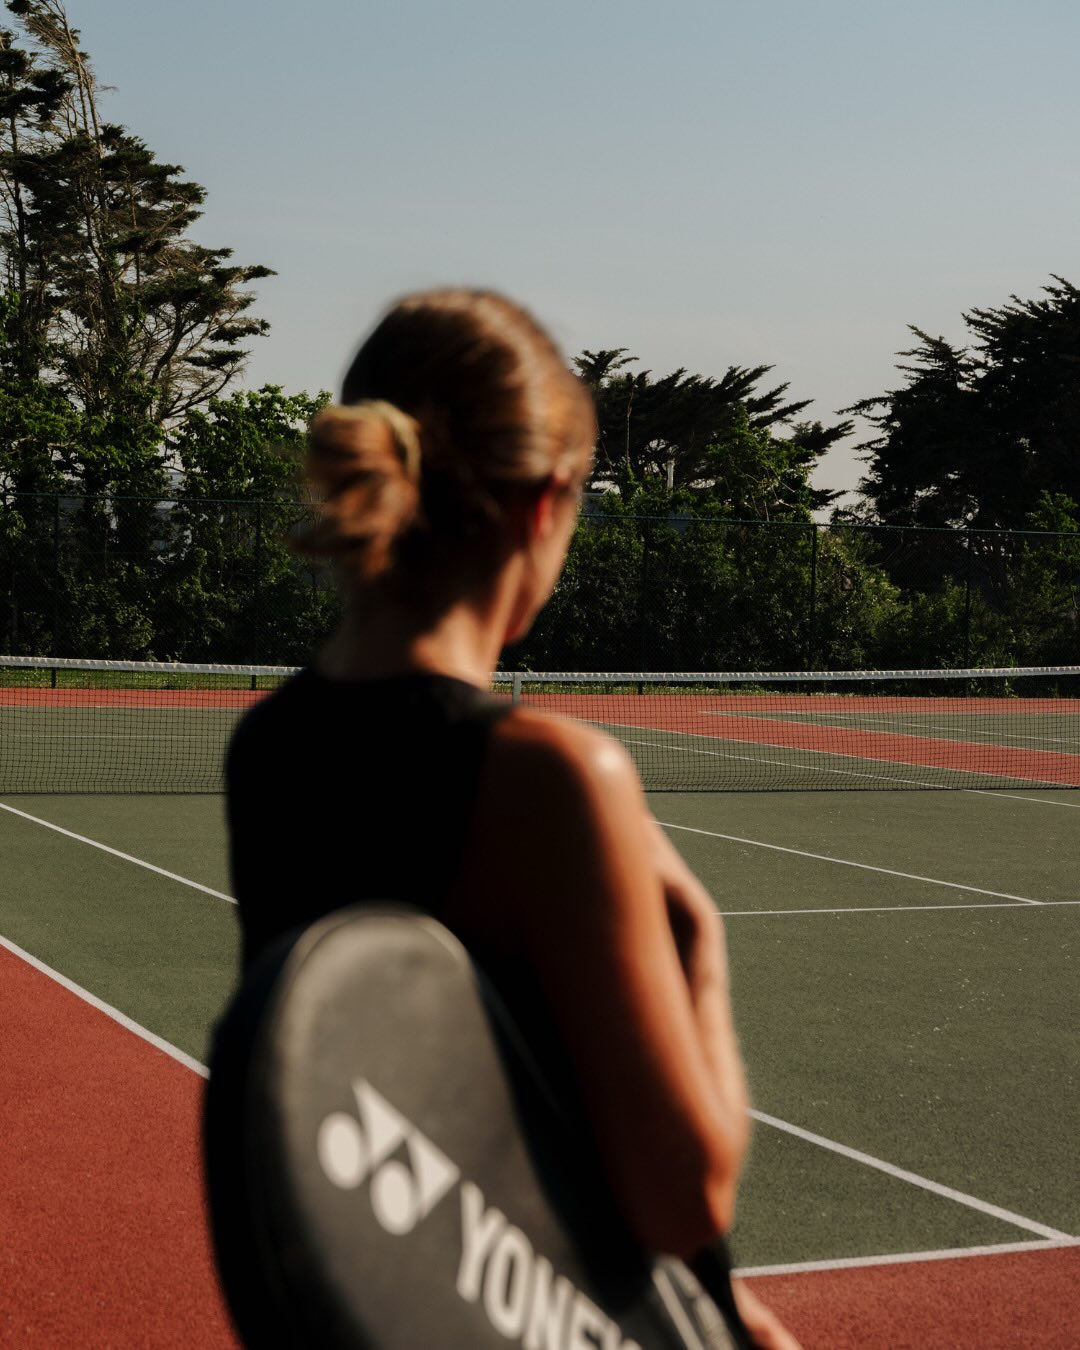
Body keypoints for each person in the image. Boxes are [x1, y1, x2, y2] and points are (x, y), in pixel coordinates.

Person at [225, 288, 799, 1350]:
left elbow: (427, 1102)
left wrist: (707, 1308)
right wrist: (702, 949)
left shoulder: (267, 748)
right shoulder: (548, 775)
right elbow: (686, 1197)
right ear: (545, 504)